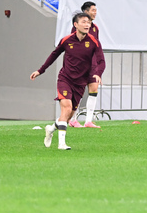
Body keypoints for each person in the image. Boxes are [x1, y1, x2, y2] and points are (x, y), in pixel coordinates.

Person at [31, 12, 105, 150]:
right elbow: (54, 55)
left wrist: (98, 73)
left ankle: (51, 129)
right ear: (75, 25)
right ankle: (62, 144)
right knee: (66, 108)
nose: (87, 24)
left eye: (89, 22)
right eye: (84, 22)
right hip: (65, 79)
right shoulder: (66, 40)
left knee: (68, 115)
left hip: (80, 83)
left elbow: (101, 61)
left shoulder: (94, 42)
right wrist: (40, 70)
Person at [69, 1, 104, 128]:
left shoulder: (95, 28)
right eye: (93, 10)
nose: (95, 12)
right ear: (85, 11)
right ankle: (73, 118)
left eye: (95, 10)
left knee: (94, 88)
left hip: (92, 64)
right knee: (78, 90)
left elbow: (97, 46)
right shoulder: (77, 27)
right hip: (80, 64)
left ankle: (88, 120)